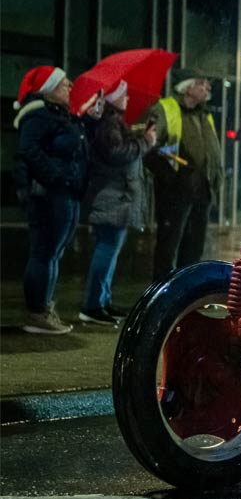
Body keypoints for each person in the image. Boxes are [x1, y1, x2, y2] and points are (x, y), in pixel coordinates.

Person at [13, 66, 89, 335]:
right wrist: (56, 177)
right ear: (49, 89)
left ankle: (44, 307)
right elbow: (28, 149)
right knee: (44, 253)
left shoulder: (58, 115)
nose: (70, 88)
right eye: (64, 84)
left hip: (64, 194)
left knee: (53, 254)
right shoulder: (38, 116)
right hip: (49, 196)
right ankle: (36, 312)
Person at [79, 80, 157, 324]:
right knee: (107, 250)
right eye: (123, 94)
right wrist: (145, 141)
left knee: (110, 252)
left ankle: (102, 301)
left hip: (116, 199)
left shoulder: (112, 123)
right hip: (112, 198)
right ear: (112, 98)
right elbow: (117, 153)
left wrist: (140, 137)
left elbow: (119, 147)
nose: (127, 98)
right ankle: (93, 306)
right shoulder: (109, 124)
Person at [144, 68, 222, 281]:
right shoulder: (165, 109)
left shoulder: (204, 115)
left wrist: (215, 182)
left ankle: (186, 295)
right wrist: (171, 179)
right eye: (201, 83)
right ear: (187, 87)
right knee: (168, 247)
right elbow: (149, 150)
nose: (207, 88)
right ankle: (162, 297)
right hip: (175, 192)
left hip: (202, 190)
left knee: (194, 248)